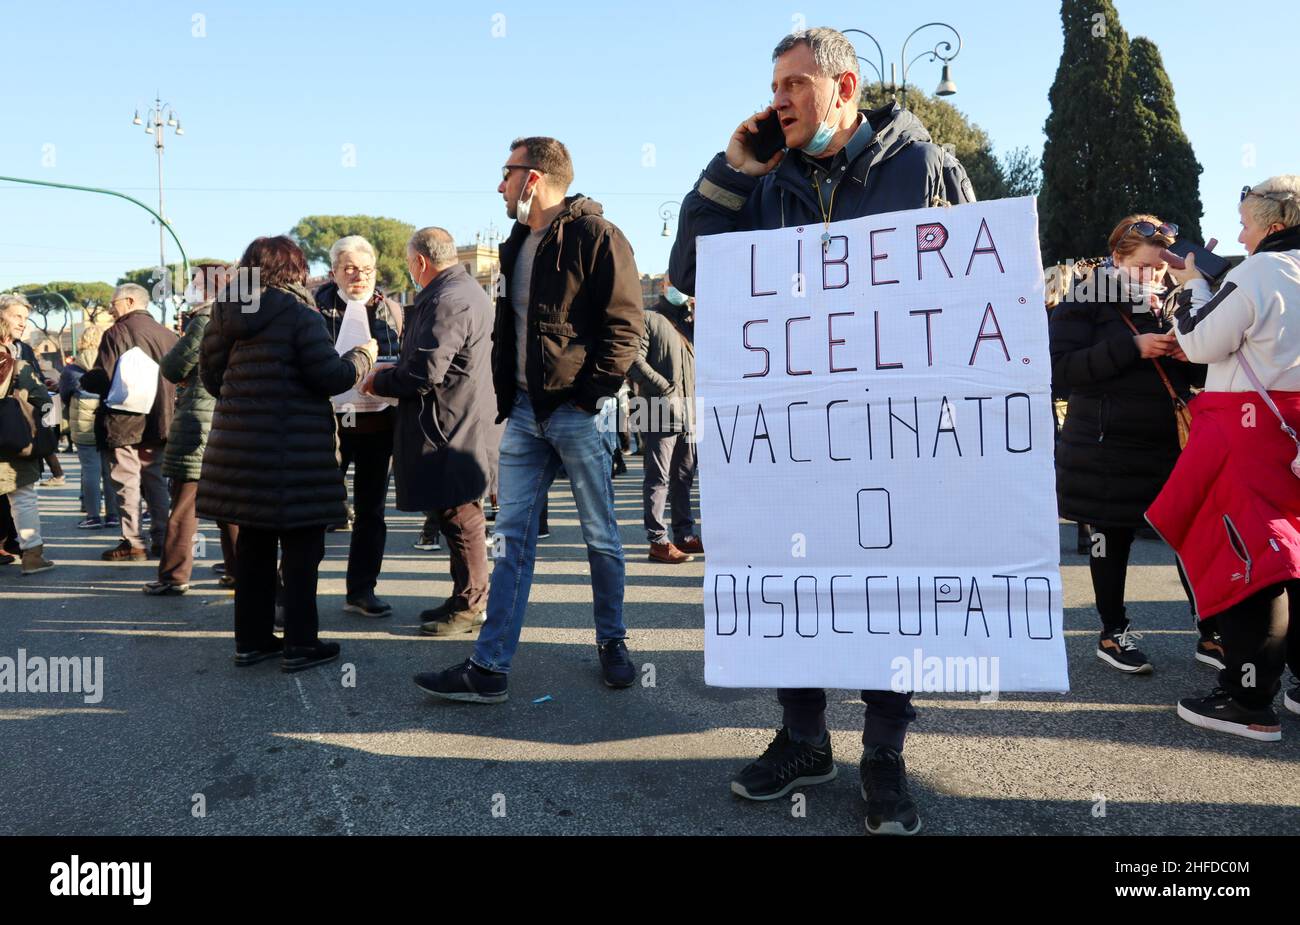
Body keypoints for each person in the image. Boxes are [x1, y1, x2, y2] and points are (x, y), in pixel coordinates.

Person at [668, 27, 975, 836]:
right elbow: (692, 275)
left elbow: (982, 282)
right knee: (792, 578)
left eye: (795, 83)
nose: (778, 97)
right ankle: (804, 736)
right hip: (796, 429)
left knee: (887, 583)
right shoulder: (765, 182)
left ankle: (883, 749)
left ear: (844, 87)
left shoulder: (924, 166)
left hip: (892, 426)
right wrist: (730, 173)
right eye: (774, 83)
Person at [414, 136, 644, 703]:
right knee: (510, 540)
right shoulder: (517, 242)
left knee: (600, 536)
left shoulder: (599, 237)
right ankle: (489, 669)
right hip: (520, 416)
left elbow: (625, 327)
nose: (500, 184)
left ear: (533, 179)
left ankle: (612, 642)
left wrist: (588, 398)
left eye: (506, 173)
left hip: (576, 415)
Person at [1152, 175, 1300, 740]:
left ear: (1274, 226)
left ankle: (1248, 699)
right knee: (1293, 554)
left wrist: (1191, 284)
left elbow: (1199, 341)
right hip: (1291, 430)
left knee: (1251, 563)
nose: (1242, 234)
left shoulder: (1263, 270)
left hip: (1250, 432)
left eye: (1246, 224)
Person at [199, 236, 377, 672]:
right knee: (301, 549)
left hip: (240, 451)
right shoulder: (300, 312)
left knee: (254, 547)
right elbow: (329, 376)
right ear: (295, 269)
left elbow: (210, 379)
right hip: (296, 452)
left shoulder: (223, 312)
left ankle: (252, 641)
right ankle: (301, 644)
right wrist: (362, 356)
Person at [1051, 216, 1211, 674]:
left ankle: (1211, 631)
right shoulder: (1083, 297)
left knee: (1190, 536)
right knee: (1110, 540)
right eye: (1143, 267)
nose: (1154, 277)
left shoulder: (1172, 298)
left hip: (1168, 443)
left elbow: (1202, 370)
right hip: (1103, 447)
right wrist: (1132, 348)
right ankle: (1113, 632)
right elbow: (1059, 370)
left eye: (1160, 268)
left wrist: (1187, 356)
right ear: (1116, 258)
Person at [360, 227, 494, 636]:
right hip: (460, 421)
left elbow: (424, 372)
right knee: (455, 513)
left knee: (461, 516)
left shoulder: (448, 299)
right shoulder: (464, 291)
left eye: (408, 263)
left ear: (420, 262)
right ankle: (463, 597)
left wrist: (377, 381)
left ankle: (471, 605)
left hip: (450, 426)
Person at [314, 235, 404, 617]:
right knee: (315, 509)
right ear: (333, 271)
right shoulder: (313, 309)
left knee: (371, 512)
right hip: (327, 425)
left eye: (366, 269)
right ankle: (291, 593)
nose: (358, 276)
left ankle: (362, 589)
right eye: (349, 269)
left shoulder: (392, 310)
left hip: (378, 425)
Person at [147, 263, 236, 595]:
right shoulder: (244, 319)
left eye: (195, 283)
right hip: (231, 421)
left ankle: (173, 576)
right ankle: (239, 570)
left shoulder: (205, 319)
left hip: (199, 421)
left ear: (212, 288)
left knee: (185, 503)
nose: (189, 288)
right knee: (230, 504)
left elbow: (173, 367)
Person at [79, 283, 179, 561]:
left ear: (130, 300)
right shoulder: (168, 335)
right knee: (156, 479)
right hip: (160, 420)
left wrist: (84, 379)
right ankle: (162, 538)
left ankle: (134, 541)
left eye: (114, 303)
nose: (111, 308)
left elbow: (102, 377)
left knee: (126, 481)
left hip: (125, 422)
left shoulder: (118, 332)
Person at [628, 274, 702, 564]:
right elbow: (633, 361)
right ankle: (658, 541)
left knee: (684, 477)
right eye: (675, 284)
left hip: (692, 413)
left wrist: (699, 316)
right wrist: (666, 389)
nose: (681, 291)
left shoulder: (691, 323)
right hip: (659, 411)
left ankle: (684, 535)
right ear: (664, 286)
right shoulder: (649, 317)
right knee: (658, 479)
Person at [0, 306, 55, 574]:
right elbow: (46, 404)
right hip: (11, 441)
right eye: (17, 317)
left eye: (25, 317)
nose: (23, 323)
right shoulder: (16, 363)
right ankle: (32, 555)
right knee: (23, 497)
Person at [57, 326, 120, 530]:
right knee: (109, 471)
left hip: (82, 427)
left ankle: (92, 516)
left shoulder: (72, 370)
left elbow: (65, 396)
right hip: (105, 423)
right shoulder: (110, 363)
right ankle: (113, 515)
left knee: (90, 470)